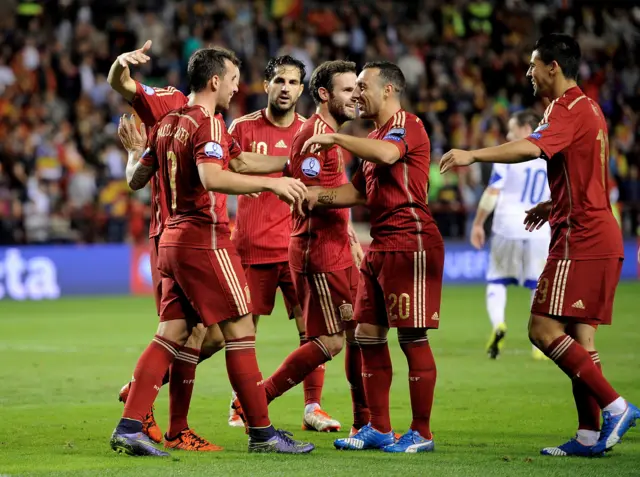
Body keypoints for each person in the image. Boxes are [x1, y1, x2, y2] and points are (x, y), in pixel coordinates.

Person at [440, 33, 639, 457]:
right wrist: (552, 202)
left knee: (542, 329)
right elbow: (588, 175)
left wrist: (474, 155)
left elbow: (531, 147)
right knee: (581, 340)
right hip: (597, 229)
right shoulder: (588, 108)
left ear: (553, 66)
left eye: (533, 64)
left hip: (580, 237)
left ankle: (616, 406)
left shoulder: (566, 109)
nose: (528, 72)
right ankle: (589, 436)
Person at [109, 46, 314, 456]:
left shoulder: (168, 123)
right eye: (234, 80)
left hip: (169, 238)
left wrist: (284, 165)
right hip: (205, 238)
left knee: (171, 333)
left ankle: (129, 426)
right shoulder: (211, 122)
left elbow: (150, 174)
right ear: (215, 81)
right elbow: (213, 176)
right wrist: (274, 186)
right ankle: (262, 433)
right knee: (239, 329)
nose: (239, 87)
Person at [301, 61, 443, 453]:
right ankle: (379, 428)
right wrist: (318, 197)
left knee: (412, 337)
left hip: (410, 240)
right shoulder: (374, 135)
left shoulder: (406, 124)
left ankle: (421, 433)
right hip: (381, 246)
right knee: (366, 335)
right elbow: (359, 194)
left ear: (388, 90)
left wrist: (338, 140)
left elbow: (389, 155)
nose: (357, 93)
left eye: (363, 86)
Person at [235, 60, 368, 435]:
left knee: (359, 332)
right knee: (327, 340)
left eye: (357, 89)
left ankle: (364, 423)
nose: (356, 96)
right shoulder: (314, 136)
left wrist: (352, 236)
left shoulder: (330, 136)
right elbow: (307, 195)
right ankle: (256, 402)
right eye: (347, 90)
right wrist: (360, 191)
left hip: (337, 246)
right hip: (316, 250)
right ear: (325, 94)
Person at [469, 109, 551, 360]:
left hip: (506, 226)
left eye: (512, 129)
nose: (507, 134)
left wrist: (478, 223)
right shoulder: (552, 154)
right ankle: (539, 345)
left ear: (527, 129)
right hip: (539, 229)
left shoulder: (509, 154)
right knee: (537, 286)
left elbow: (493, 192)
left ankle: (498, 325)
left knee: (496, 280)